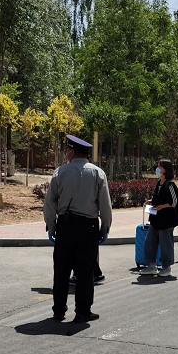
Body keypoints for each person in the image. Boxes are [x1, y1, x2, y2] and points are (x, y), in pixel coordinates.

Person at [44, 135, 112, 323]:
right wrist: (105, 227)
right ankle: (83, 312)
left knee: (61, 270)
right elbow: (105, 204)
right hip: (88, 227)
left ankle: (58, 311)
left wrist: (51, 225)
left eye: (67, 150)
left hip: (65, 226)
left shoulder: (60, 172)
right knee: (85, 272)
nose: (65, 153)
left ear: (72, 151)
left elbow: (50, 202)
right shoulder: (98, 173)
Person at [140, 159, 178, 277]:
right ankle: (152, 266)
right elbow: (158, 198)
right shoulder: (159, 183)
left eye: (160, 167)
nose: (157, 169)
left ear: (165, 170)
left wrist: (162, 206)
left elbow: (174, 202)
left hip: (166, 221)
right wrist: (151, 202)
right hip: (155, 219)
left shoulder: (170, 184)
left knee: (166, 244)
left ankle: (166, 268)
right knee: (150, 241)